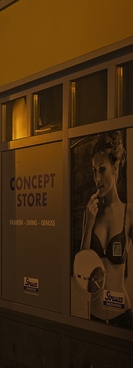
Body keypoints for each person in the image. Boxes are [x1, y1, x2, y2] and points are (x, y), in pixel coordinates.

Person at [80, 130, 133, 327]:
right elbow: (81, 267)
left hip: (123, 317)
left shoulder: (129, 213)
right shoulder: (91, 212)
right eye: (94, 171)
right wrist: (89, 225)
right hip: (94, 316)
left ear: (115, 167)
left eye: (102, 169)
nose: (97, 178)